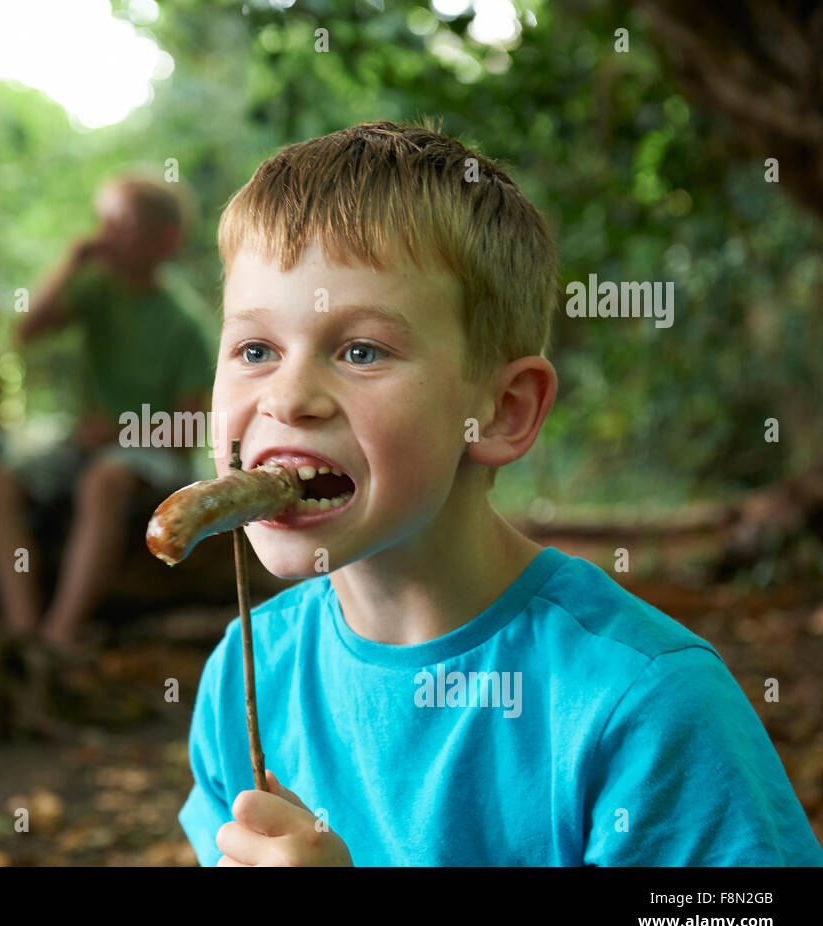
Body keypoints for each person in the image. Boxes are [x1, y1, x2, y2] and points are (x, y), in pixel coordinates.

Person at [179, 120, 823, 866]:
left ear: (504, 411)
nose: (288, 399)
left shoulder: (644, 704)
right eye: (255, 350)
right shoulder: (247, 671)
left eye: (361, 351)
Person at [0, 174, 215, 661]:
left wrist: (119, 431)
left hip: (151, 461)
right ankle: (22, 631)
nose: (105, 234)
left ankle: (59, 637)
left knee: (104, 480)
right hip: (82, 445)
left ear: (164, 240)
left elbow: (190, 428)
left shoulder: (186, 325)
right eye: (103, 222)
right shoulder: (94, 291)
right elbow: (27, 330)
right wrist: (71, 263)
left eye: (121, 224)